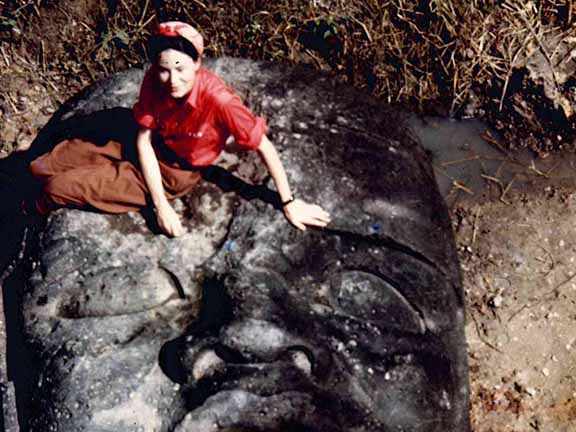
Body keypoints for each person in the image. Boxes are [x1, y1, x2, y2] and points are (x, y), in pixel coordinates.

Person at [29, 21, 331, 237]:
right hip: (142, 140)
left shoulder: (220, 101)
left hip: (175, 169)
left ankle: (26, 218)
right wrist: (161, 206)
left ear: (197, 63)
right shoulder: (154, 80)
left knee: (55, 189)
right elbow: (143, 140)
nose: (172, 79)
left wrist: (288, 202)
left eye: (181, 68)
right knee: (39, 166)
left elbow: (263, 145)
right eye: (164, 68)